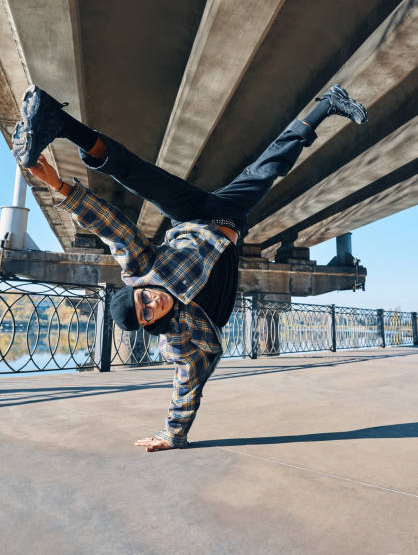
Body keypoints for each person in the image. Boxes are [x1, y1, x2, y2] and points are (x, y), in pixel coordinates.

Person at [12, 84, 367, 451]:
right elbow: (187, 384)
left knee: (134, 173)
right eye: (147, 313)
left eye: (144, 298)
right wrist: (173, 434)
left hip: (191, 217)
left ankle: (57, 121)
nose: (152, 303)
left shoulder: (142, 269)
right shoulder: (179, 340)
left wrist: (60, 186)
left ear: (139, 288)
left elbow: (112, 228)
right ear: (150, 325)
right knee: (271, 165)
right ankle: (328, 102)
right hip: (228, 216)